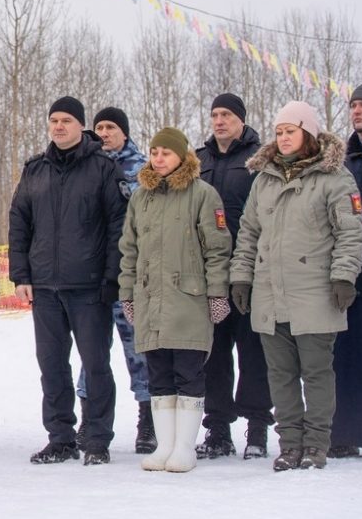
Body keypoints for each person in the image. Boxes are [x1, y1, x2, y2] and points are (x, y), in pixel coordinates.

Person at [230, 100, 362, 471]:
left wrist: (343, 275)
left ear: (308, 132)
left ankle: (316, 445)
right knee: (281, 374)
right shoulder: (264, 180)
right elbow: (248, 235)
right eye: (278, 132)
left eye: (291, 131)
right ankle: (290, 444)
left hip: (315, 293)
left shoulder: (334, 177)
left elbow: (350, 234)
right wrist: (241, 277)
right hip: (270, 294)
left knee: (317, 373)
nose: (284, 138)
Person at [9, 96, 128, 466]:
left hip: (89, 287)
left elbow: (117, 227)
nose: (58, 126)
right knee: (52, 366)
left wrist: (112, 278)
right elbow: (19, 223)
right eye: (53, 120)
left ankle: (96, 439)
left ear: (80, 126)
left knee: (95, 365)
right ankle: (60, 438)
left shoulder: (103, 168)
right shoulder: (35, 170)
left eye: (66, 120)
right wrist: (21, 274)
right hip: (44, 287)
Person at [119, 127, 232, 473]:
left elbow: (217, 250)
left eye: (165, 153)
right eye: (154, 152)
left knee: (188, 373)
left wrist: (217, 293)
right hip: (151, 300)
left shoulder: (203, 194)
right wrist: (128, 294)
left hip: (189, 301)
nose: (158, 158)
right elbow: (129, 250)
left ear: (182, 156)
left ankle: (185, 447)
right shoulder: (141, 197)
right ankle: (164, 446)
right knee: (158, 376)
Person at [195, 92, 273, 460]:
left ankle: (257, 428)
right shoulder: (198, 160)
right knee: (215, 356)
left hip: (251, 274)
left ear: (242, 119)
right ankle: (218, 430)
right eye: (215, 114)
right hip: (209, 275)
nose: (220, 120)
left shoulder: (260, 159)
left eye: (227, 114)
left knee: (253, 353)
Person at [75, 106, 155, 455]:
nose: (104, 133)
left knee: (139, 350)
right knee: (92, 353)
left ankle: (148, 422)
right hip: (91, 276)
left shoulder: (143, 169)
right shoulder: (86, 166)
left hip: (129, 278)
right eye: (100, 127)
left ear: (123, 131)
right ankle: (88, 419)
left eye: (111, 127)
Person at [330, 81, 362, 457]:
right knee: (344, 362)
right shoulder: (341, 162)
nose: (356, 112)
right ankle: (344, 434)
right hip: (346, 279)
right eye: (352, 106)